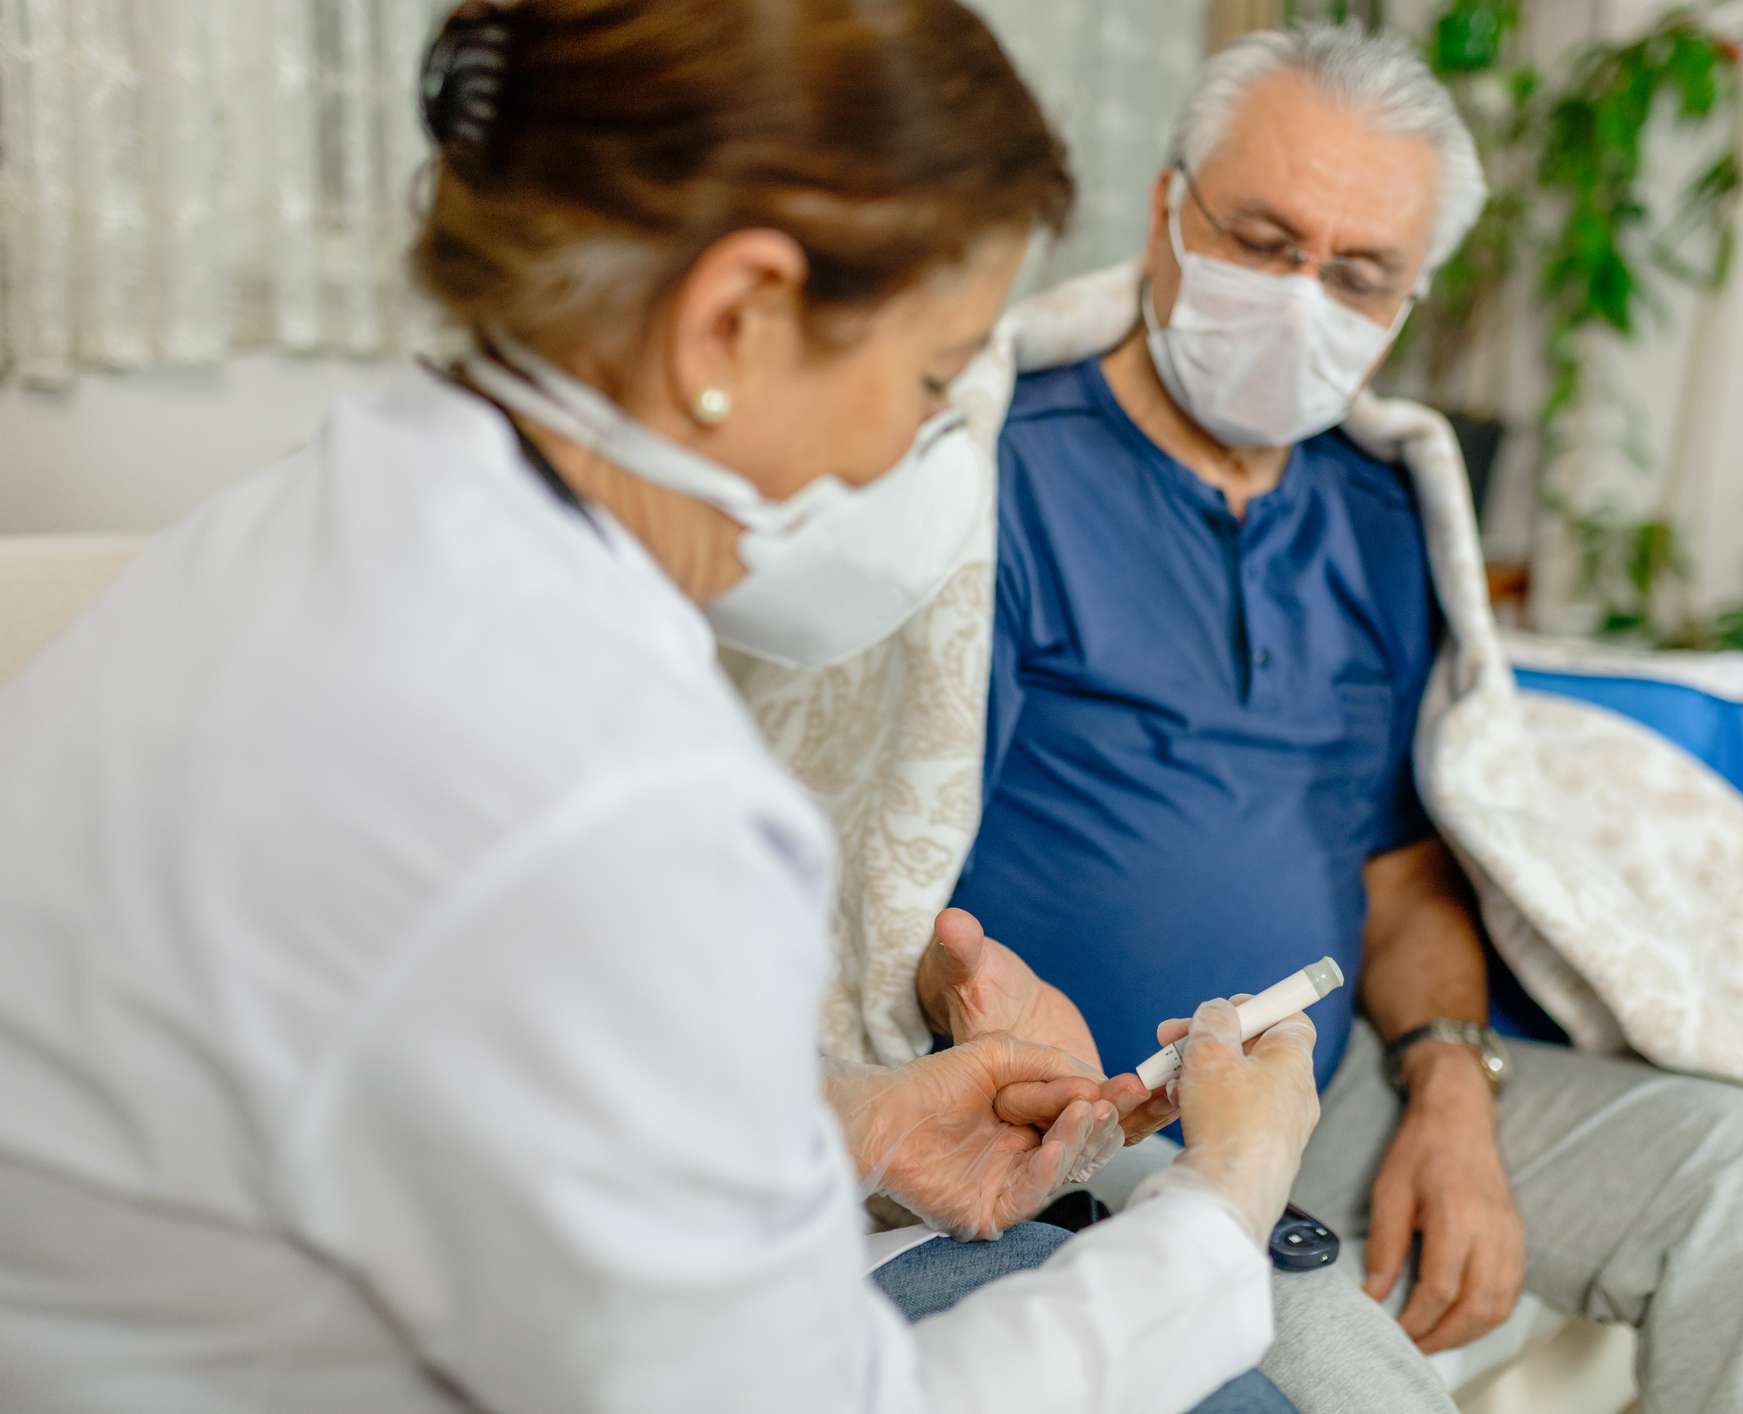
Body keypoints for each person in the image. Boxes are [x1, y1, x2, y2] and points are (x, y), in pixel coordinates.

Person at [0, 4, 1320, 1411]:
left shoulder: (311, 514)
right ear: (732, 316)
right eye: (934, 383)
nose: (936, 456)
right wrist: (1218, 1205)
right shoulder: (612, 788)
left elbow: (428, 1079)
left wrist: (841, 1123)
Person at [933, 23, 1743, 1414]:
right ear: (1165, 209)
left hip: (1334, 1090)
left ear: (1404, 301)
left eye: (1358, 272)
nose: (1301, 296)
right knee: (1331, 1353)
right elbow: (889, 853)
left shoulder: (1380, 514)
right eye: (1261, 239)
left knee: (1736, 1162)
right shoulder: (1002, 474)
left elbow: (1397, 864)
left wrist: (1450, 1085)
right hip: (1091, 1113)